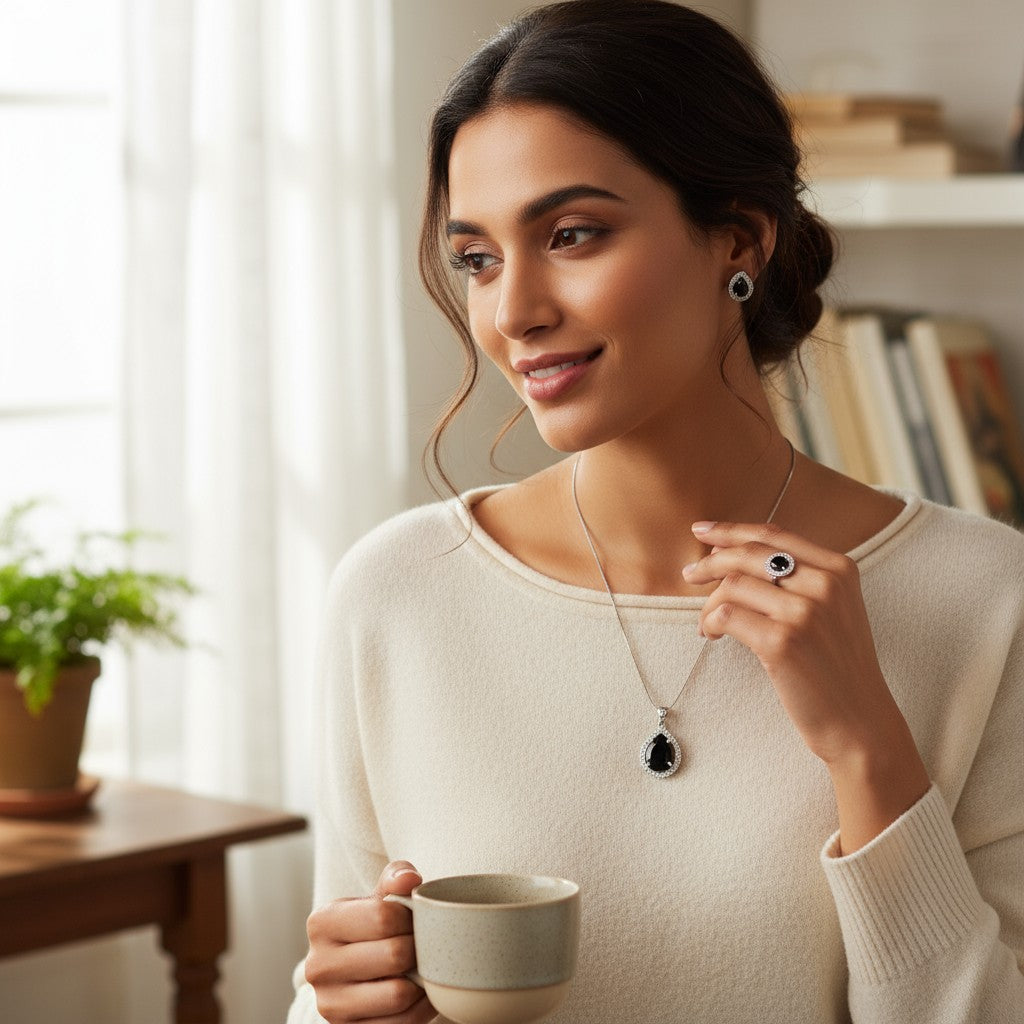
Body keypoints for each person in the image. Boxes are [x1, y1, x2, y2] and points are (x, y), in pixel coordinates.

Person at [287, 2, 1024, 1021]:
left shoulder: (985, 601)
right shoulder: (396, 594)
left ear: (740, 237)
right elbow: (334, 989)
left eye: (572, 234)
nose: (513, 312)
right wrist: (345, 1005)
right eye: (478, 257)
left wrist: (869, 749)